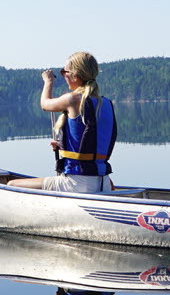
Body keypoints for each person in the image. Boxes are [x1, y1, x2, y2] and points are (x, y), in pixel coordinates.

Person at [8, 51, 117, 193]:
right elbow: (90, 140)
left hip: (77, 182)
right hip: (104, 182)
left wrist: (48, 81)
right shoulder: (107, 103)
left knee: (11, 185)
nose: (63, 76)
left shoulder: (73, 99)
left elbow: (45, 104)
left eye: (64, 72)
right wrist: (64, 146)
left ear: (75, 75)